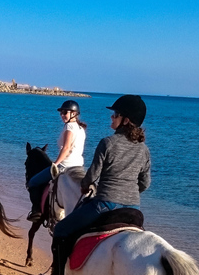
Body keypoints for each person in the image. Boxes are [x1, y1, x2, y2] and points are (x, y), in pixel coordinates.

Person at [50, 95, 151, 275]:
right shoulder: (144, 150)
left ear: (126, 120)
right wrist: (130, 193)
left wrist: (85, 185)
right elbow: (145, 183)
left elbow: (92, 175)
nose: (111, 117)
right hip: (134, 208)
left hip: (105, 205)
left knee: (61, 229)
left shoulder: (108, 143)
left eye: (115, 115)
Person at [26, 100, 87, 222]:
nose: (62, 115)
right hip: (79, 167)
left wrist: (56, 164)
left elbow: (66, 148)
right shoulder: (81, 129)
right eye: (61, 113)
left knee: (32, 182)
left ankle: (36, 211)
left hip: (64, 167)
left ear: (74, 113)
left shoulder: (69, 126)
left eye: (65, 112)